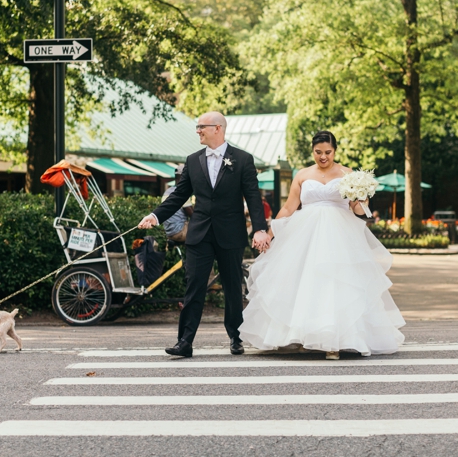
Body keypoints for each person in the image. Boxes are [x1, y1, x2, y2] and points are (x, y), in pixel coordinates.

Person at [239, 130, 405, 360]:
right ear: (312, 151)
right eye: (318, 152)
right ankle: (300, 336)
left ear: (335, 151)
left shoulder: (349, 174)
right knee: (305, 283)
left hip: (339, 235)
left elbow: (357, 211)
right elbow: (289, 207)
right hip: (304, 233)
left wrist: (360, 200)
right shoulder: (302, 175)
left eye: (327, 152)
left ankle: (334, 341)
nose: (323, 156)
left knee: (334, 284)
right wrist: (270, 232)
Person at [138, 112, 269, 358]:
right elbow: (178, 195)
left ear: (217, 128)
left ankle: (235, 337)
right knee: (194, 286)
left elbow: (253, 196)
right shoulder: (193, 160)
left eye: (201, 127)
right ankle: (185, 341)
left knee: (232, 287)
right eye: (197, 127)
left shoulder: (242, 159)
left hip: (230, 233)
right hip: (199, 234)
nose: (198, 131)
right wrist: (155, 216)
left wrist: (260, 229)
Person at [161, 165, 192, 243]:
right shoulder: (182, 192)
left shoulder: (167, 192)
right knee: (205, 232)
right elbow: (192, 214)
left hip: (169, 233)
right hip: (180, 231)